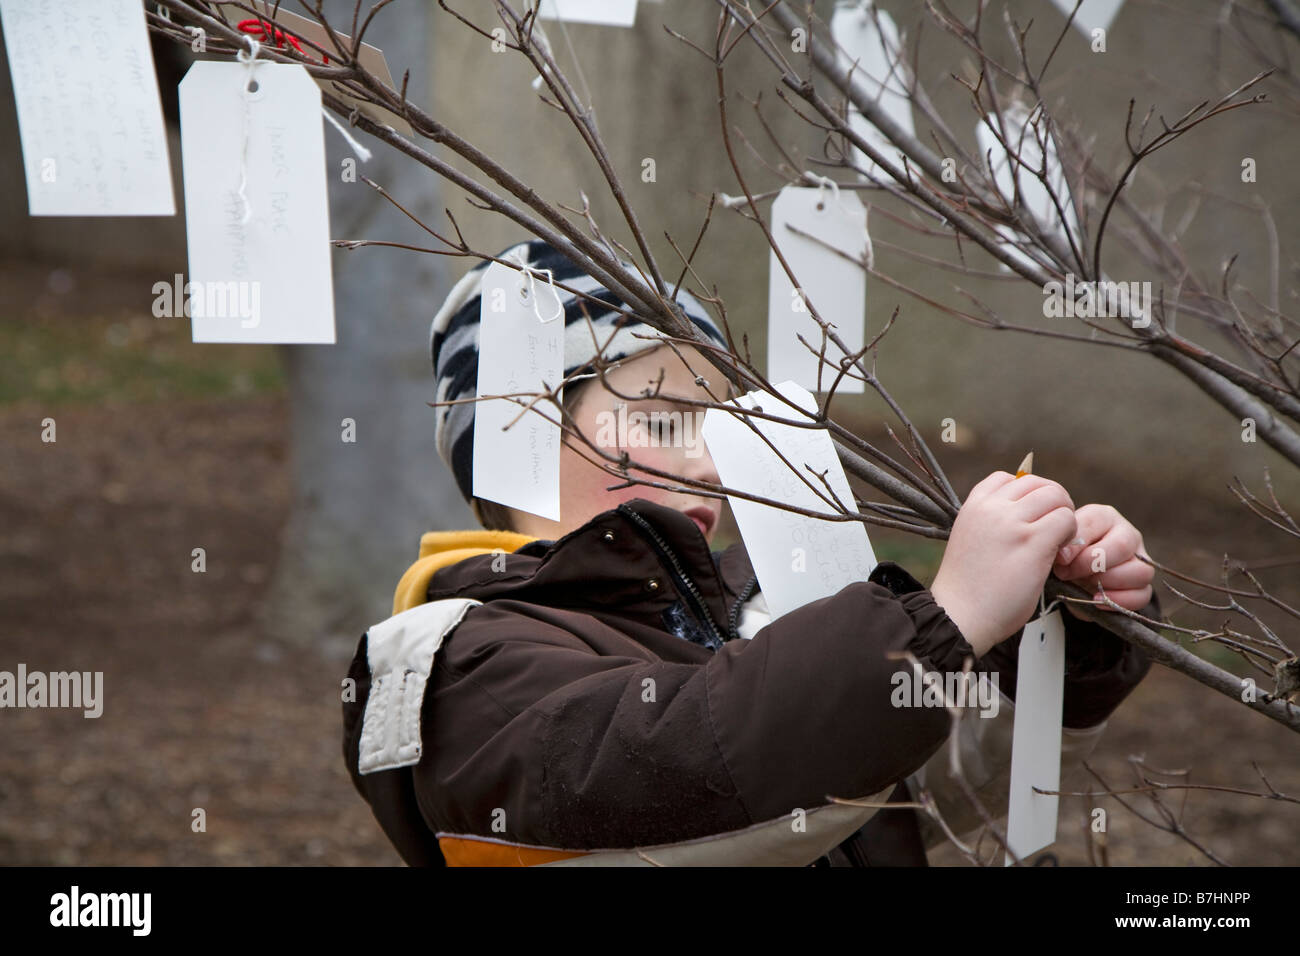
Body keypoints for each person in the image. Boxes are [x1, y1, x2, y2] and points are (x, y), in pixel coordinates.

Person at [341, 238, 1156, 866]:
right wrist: (943, 621)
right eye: (663, 420)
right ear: (516, 432)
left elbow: (927, 790)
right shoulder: (454, 660)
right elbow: (683, 767)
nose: (709, 463)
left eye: (721, 425)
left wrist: (1057, 631)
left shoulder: (765, 621)